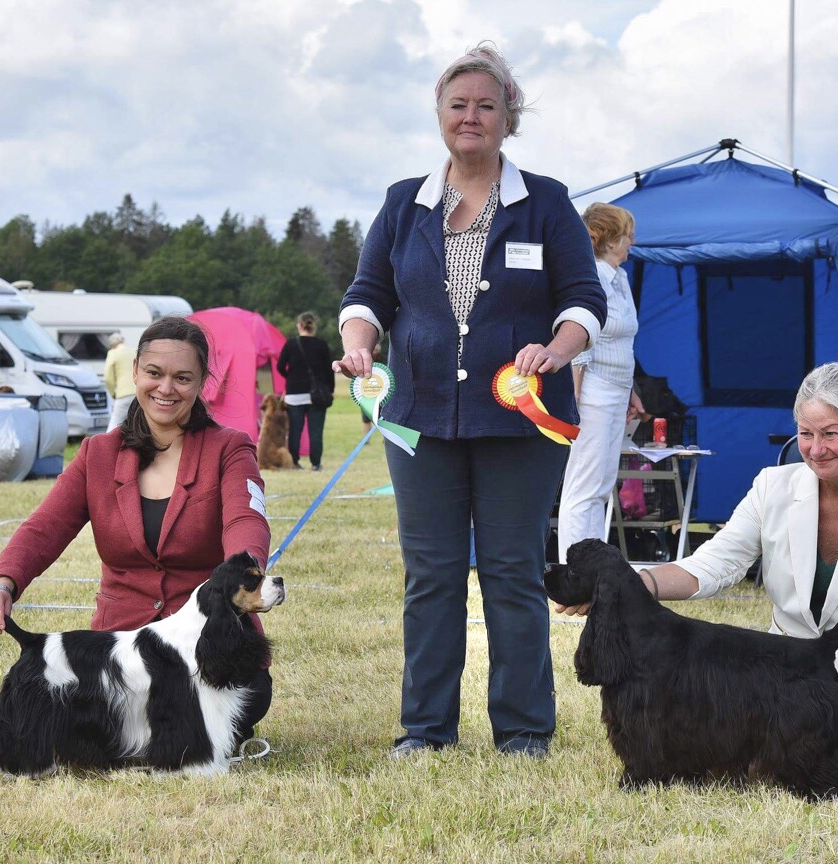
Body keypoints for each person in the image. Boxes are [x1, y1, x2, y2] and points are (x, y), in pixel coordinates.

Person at [336, 42, 606, 760]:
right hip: (418, 421)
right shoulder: (404, 203)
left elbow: (584, 299)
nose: (471, 116)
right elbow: (366, 295)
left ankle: (523, 729)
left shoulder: (545, 202)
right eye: (458, 104)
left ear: (508, 116)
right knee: (430, 577)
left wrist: (558, 350)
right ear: (439, 114)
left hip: (519, 422)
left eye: (486, 105)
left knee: (512, 572)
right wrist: (359, 345)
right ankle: (425, 729)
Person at [557, 362, 838, 748]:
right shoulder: (771, 487)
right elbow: (713, 564)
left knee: (821, 761)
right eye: (805, 434)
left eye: (830, 434)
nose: (816, 449)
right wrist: (629, 586)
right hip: (777, 676)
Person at [0, 316, 273, 742]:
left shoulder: (230, 448)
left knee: (238, 701)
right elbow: (43, 528)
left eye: (182, 377)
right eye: (154, 373)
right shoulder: (97, 453)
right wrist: (2, 583)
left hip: (207, 651)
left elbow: (246, 519)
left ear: (202, 382)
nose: (166, 388)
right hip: (120, 656)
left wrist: (246, 572)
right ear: (134, 371)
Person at [557, 203, 644, 564]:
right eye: (627, 236)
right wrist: (575, 397)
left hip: (617, 390)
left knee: (603, 485)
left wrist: (631, 391)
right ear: (609, 241)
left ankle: (593, 567)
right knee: (584, 485)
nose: (632, 242)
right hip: (592, 392)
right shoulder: (590, 277)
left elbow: (622, 342)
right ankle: (573, 569)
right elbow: (581, 338)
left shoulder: (620, 279)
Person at [276, 311, 334, 471]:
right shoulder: (321, 345)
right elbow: (328, 371)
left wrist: (291, 378)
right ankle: (316, 464)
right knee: (316, 431)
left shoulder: (291, 344)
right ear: (313, 326)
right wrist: (330, 389)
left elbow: (280, 366)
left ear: (299, 325)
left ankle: (294, 462)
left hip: (294, 394)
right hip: (317, 395)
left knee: (295, 430)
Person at [104, 331, 136, 432]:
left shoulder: (113, 353)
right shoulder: (133, 352)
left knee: (114, 422)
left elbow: (108, 378)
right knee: (135, 423)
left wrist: (112, 393)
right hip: (137, 393)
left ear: (112, 344)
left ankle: (107, 442)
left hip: (123, 394)